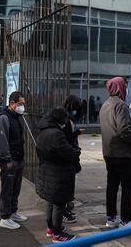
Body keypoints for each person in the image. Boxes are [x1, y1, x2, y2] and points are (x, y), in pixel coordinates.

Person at [36, 107, 80, 243]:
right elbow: (67, 152)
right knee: (59, 204)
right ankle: (57, 233)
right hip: (58, 174)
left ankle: (51, 229)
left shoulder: (43, 131)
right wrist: (76, 151)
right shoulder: (56, 134)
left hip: (48, 171)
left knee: (51, 201)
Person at [99, 77, 131, 228]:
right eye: (125, 86)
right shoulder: (121, 105)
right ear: (120, 87)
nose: (127, 89)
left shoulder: (105, 104)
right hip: (122, 154)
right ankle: (126, 220)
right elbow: (123, 129)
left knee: (112, 186)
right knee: (128, 186)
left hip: (109, 152)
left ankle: (111, 217)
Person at [0, 91, 28, 229]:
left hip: (18, 158)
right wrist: (6, 159)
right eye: (20, 104)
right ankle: (5, 217)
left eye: (23, 104)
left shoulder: (16, 116)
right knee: (7, 189)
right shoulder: (3, 118)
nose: (22, 106)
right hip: (9, 161)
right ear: (12, 103)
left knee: (16, 188)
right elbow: (2, 141)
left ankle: (13, 212)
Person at [62, 95, 84, 223]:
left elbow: (69, 136)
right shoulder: (66, 120)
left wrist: (76, 133)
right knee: (65, 187)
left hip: (71, 156)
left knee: (69, 186)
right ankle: (64, 212)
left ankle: (66, 210)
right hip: (68, 157)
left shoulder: (68, 119)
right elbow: (66, 139)